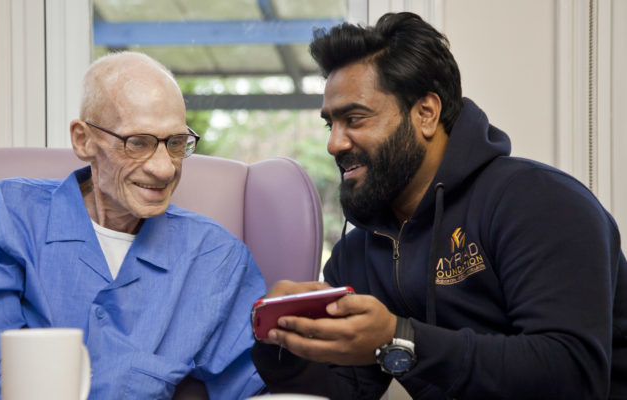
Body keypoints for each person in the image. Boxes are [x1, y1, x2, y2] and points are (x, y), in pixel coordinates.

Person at [251, 12, 626, 399]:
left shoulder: (539, 202)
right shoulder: (358, 252)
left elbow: (573, 376)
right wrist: (284, 344)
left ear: (426, 113)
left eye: (355, 118)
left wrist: (401, 339)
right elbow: (350, 389)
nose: (335, 143)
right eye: (331, 124)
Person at [0, 51, 267, 399]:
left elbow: (255, 386)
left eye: (175, 144)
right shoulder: (7, 217)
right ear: (83, 140)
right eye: (137, 143)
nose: (165, 169)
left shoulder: (215, 256)